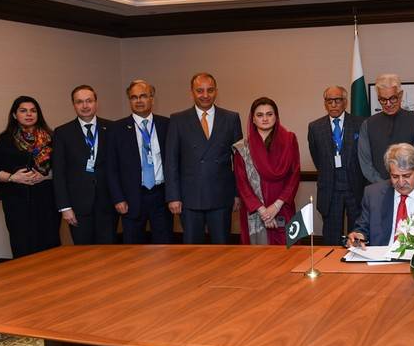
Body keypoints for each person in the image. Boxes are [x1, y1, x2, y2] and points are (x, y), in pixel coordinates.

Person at [165, 73, 242, 244]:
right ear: (192, 92)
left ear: (216, 91)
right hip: (189, 198)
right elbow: (171, 161)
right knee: (192, 250)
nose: (205, 95)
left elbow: (239, 161)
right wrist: (173, 196)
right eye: (200, 90)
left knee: (222, 248)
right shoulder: (178, 119)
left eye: (210, 90)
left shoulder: (231, 118)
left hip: (221, 197)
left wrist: (237, 194)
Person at [0, 96, 59, 258]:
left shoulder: (51, 138)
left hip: (47, 202)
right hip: (18, 204)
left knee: (50, 249)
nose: (29, 114)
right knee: (23, 248)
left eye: (33, 111)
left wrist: (45, 176)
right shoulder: (5, 139)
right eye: (23, 111)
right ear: (15, 115)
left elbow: (64, 168)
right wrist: (13, 177)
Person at [347, 143, 414, 247]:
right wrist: (358, 237)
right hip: (382, 257)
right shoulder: (373, 194)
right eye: (395, 176)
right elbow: (362, 229)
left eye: (406, 176)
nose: (401, 182)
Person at [106, 80, 172, 244]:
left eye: (143, 96)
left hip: (161, 196)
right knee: (133, 248)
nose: (139, 101)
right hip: (131, 198)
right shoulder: (116, 129)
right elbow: (111, 168)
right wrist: (118, 198)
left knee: (165, 246)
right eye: (134, 97)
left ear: (152, 99)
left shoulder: (167, 125)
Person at [52, 85, 115, 244]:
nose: (85, 105)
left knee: (110, 251)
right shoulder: (62, 133)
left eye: (89, 101)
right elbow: (59, 173)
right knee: (83, 253)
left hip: (108, 204)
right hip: (78, 207)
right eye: (79, 102)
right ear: (73, 105)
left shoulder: (112, 128)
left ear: (96, 103)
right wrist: (65, 207)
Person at [233, 97, 300, 245]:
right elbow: (242, 183)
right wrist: (263, 211)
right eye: (260, 115)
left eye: (269, 114)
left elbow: (294, 175)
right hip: (255, 211)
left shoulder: (289, 140)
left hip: (283, 207)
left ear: (276, 116)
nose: (265, 119)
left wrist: (276, 206)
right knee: (258, 256)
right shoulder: (242, 148)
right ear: (253, 119)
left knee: (287, 252)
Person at [307, 86, 367, 245]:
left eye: (337, 100)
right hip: (330, 190)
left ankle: (356, 259)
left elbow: (365, 155)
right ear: (325, 103)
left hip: (355, 188)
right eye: (329, 101)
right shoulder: (315, 127)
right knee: (331, 237)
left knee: (357, 234)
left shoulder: (360, 124)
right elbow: (317, 158)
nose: (333, 104)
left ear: (345, 102)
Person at [358, 74, 414, 183]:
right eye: (383, 100)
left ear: (400, 95)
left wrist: (400, 182)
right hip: (377, 187)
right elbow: (365, 163)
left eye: (393, 98)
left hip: (408, 185)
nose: (388, 104)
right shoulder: (368, 124)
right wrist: (383, 184)